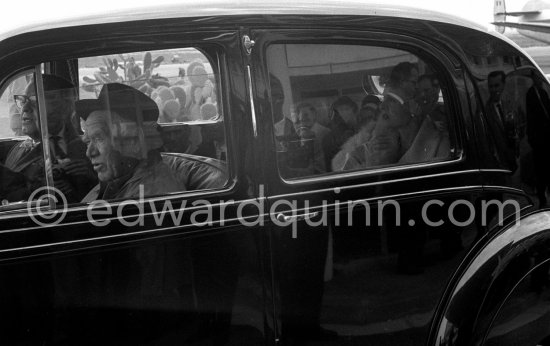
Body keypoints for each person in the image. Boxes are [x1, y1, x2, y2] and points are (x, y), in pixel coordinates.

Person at [76, 83, 183, 201]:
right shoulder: (121, 180)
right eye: (88, 142)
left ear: (133, 141)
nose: (89, 153)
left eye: (99, 139)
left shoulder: (151, 194)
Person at [1, 74, 96, 202]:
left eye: (35, 101)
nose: (25, 108)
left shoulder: (89, 151)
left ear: (65, 107)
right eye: (23, 101)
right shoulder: (16, 149)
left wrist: (89, 176)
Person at [485, 70, 518, 172]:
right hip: (499, 166)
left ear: (503, 85)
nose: (493, 90)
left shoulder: (508, 104)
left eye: (496, 85)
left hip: (515, 159)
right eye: (491, 86)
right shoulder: (485, 112)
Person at [526, 71, 550, 206]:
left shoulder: (543, 92)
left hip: (546, 137)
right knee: (540, 169)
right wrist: (532, 138)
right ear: (533, 78)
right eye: (537, 77)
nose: (539, 79)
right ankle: (542, 197)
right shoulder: (530, 94)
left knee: (546, 167)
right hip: (538, 139)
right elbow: (531, 117)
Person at [322, 96, 360, 171]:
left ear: (354, 111)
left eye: (347, 109)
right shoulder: (329, 137)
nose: (344, 113)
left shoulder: (361, 129)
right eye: (340, 110)